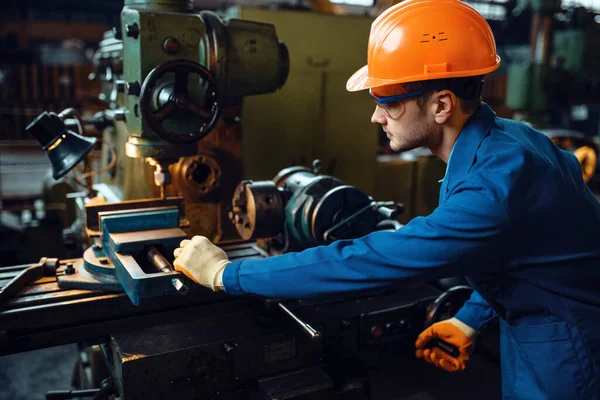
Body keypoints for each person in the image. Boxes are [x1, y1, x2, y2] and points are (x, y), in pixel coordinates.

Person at [173, 0, 600, 398]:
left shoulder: (493, 186)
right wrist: (471, 318)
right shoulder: (510, 140)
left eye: (389, 104)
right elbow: (521, 255)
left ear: (441, 105)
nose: (376, 116)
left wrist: (228, 274)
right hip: (538, 328)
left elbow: (368, 260)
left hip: (569, 352)